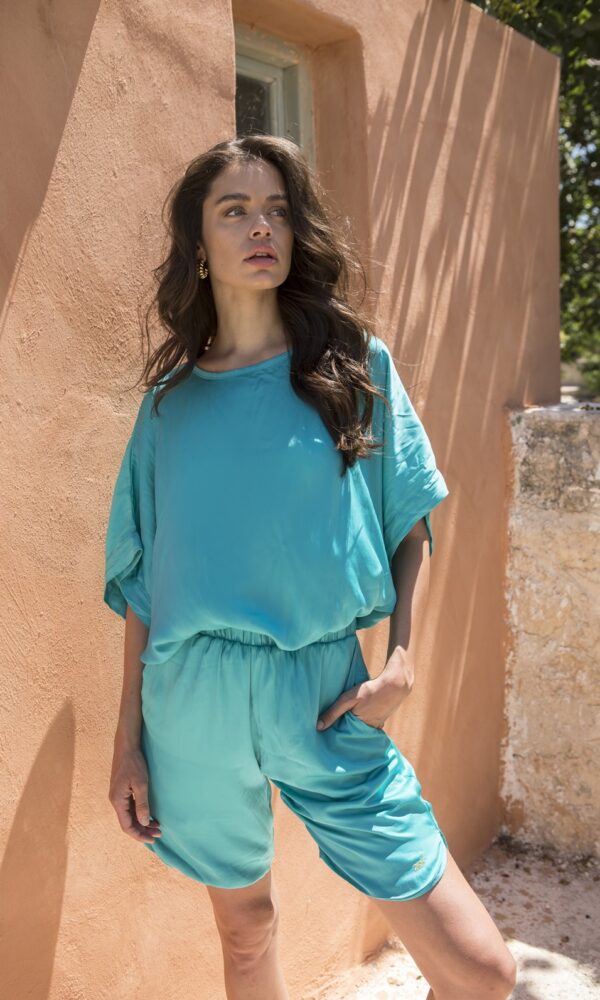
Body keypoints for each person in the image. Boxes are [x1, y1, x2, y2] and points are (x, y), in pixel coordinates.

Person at [105, 134, 517, 1000]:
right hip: (193, 700)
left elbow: (409, 520)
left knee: (481, 971)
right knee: (245, 934)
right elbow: (144, 583)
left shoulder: (353, 365)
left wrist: (401, 657)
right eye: (235, 210)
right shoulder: (168, 408)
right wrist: (127, 742)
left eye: (278, 210)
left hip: (327, 694)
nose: (262, 227)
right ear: (199, 243)